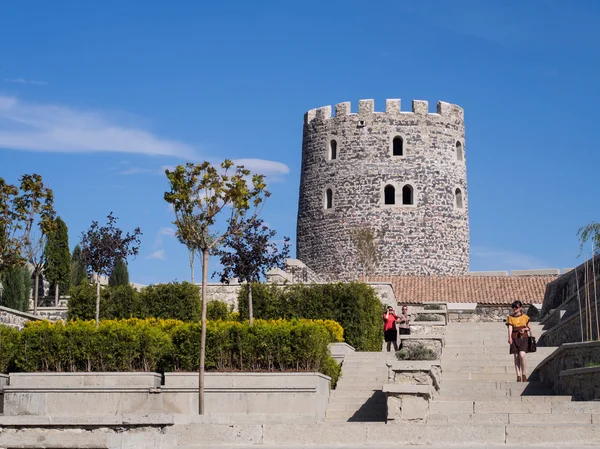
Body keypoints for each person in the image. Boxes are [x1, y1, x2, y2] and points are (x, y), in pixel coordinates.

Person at [506, 300, 531, 382]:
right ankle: (518, 375)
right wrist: (509, 337)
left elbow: (529, 327)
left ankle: (524, 373)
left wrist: (524, 329)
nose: (514, 309)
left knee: (522, 355)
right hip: (514, 337)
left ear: (520, 308)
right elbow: (510, 328)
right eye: (513, 307)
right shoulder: (510, 317)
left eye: (516, 307)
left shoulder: (525, 317)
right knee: (516, 356)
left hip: (523, 337)